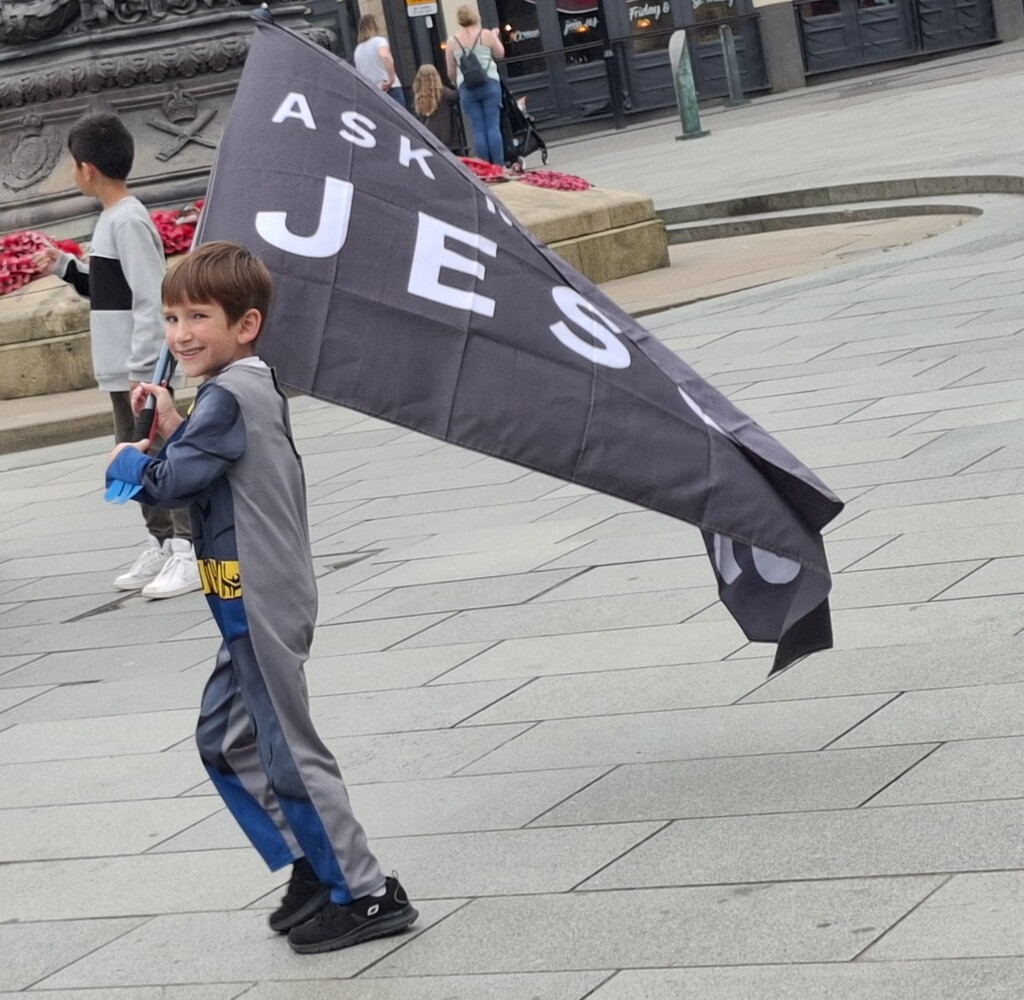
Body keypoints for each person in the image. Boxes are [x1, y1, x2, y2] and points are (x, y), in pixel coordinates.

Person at [105, 241, 418, 954]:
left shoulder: (233, 391)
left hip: (262, 594)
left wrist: (130, 458)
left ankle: (368, 892)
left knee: (289, 753)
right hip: (236, 591)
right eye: (173, 317)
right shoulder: (231, 394)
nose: (181, 333)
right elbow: (207, 461)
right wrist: (170, 428)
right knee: (224, 739)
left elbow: (171, 482)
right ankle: (315, 862)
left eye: (199, 317)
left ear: (245, 325)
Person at [33, 112, 200, 600]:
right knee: (132, 456)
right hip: (122, 370)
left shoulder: (128, 220)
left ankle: (189, 549)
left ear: (87, 169)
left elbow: (152, 298)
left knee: (161, 452)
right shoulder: (113, 220)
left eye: (71, 163)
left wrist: (144, 371)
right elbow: (109, 292)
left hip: (139, 371)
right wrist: (66, 267)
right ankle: (163, 540)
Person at [445, 5, 505, 165]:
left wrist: (456, 82)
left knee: (477, 129)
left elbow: (450, 71)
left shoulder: (452, 41)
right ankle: (499, 166)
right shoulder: (485, 34)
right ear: (475, 16)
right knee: (493, 126)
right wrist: (495, 36)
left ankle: (485, 167)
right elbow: (500, 53)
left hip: (467, 88)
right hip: (490, 83)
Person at [353, 14, 405, 108]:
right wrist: (391, 79)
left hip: (373, 92)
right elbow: (385, 56)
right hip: (389, 89)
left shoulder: (358, 49)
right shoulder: (379, 41)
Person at [412, 64, 462, 153]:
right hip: (447, 138)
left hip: (429, 136)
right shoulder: (444, 93)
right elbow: (457, 96)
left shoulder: (419, 96)